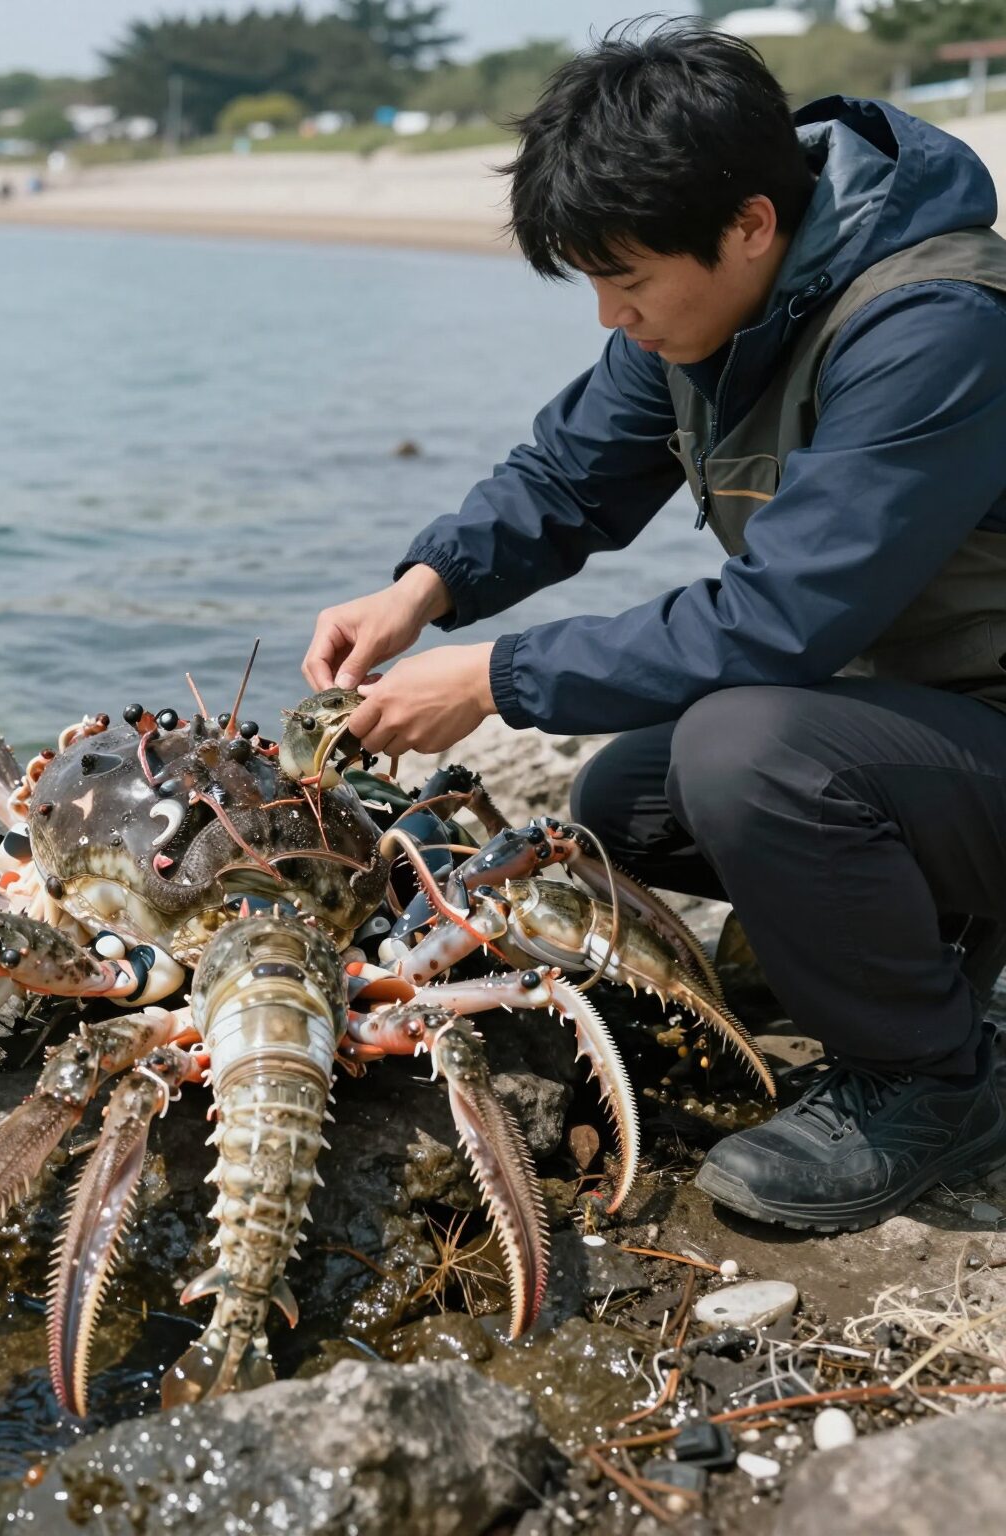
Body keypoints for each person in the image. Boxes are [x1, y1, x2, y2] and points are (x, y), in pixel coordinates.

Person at [303, 23, 1006, 1232]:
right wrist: (423, 588)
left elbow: (780, 619)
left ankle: (934, 1088)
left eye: (624, 282)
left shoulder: (934, 326)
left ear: (749, 225)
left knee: (748, 756)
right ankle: (933, 957)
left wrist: (494, 677)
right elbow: (568, 478)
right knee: (630, 795)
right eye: (590, 281)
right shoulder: (703, 308)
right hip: (936, 722)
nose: (607, 317)